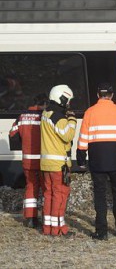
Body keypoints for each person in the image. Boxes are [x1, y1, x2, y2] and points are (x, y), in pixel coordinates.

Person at [76, 82, 116, 241]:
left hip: (97, 158)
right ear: (112, 95)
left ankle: (101, 231)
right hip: (115, 157)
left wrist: (81, 157)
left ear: (97, 95)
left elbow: (83, 138)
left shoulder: (90, 112)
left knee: (100, 195)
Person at [40, 84, 76, 236]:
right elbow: (67, 135)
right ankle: (58, 229)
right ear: (61, 98)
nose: (68, 104)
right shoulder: (58, 117)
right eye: (67, 100)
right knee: (60, 195)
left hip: (46, 163)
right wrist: (72, 120)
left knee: (48, 195)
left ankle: (47, 228)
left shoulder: (45, 113)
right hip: (58, 164)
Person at [9, 93, 48, 228]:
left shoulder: (21, 117)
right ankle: (47, 219)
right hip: (43, 160)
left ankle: (31, 219)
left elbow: (12, 135)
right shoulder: (45, 116)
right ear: (43, 104)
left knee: (31, 188)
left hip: (27, 160)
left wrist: (24, 143)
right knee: (46, 189)